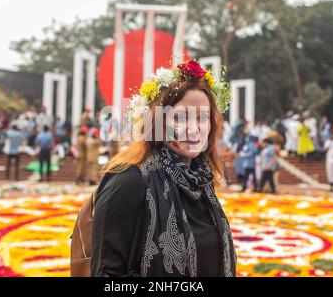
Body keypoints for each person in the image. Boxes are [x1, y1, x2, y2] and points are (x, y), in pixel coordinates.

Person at [90, 61, 236, 277]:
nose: (193, 129)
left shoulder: (200, 180)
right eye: (179, 117)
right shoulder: (128, 182)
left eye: (202, 117)